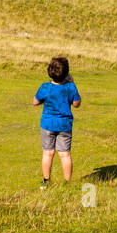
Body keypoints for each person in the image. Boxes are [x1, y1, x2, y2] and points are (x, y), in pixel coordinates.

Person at [33, 56, 80, 188]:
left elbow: (35, 102)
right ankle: (67, 183)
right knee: (65, 155)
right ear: (66, 73)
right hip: (64, 125)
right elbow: (76, 104)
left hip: (47, 124)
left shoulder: (45, 87)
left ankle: (46, 181)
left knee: (48, 153)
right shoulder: (71, 87)